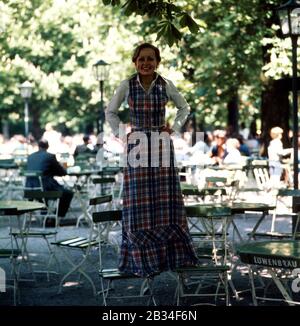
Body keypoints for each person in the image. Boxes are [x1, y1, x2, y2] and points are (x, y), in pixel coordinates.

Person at [105, 42, 198, 277]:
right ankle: (139, 260)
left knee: (166, 197)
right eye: (141, 59)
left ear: (157, 62)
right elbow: (110, 112)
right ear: (135, 62)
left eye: (150, 59)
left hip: (161, 143)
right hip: (136, 144)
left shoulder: (165, 85)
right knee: (138, 198)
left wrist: (173, 130)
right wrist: (122, 135)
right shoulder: (126, 85)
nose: (146, 63)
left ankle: (171, 256)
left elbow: (184, 108)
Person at [25, 139, 74, 219]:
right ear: (48, 146)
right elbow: (61, 172)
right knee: (68, 193)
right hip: (44, 190)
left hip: (29, 190)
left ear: (38, 146)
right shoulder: (50, 156)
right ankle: (58, 217)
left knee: (44, 188)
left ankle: (46, 214)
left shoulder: (30, 157)